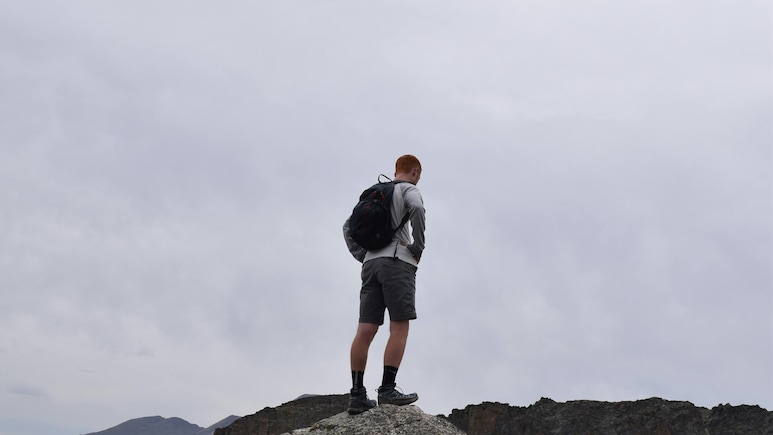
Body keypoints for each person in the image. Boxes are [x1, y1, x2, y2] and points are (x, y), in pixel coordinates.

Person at [342, 154, 426, 415]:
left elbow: (347, 227)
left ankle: (357, 394)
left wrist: (363, 256)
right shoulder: (409, 190)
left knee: (365, 329)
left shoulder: (375, 192)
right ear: (414, 172)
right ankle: (387, 390)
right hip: (397, 262)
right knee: (399, 327)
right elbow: (419, 210)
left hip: (370, 266)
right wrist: (417, 247)